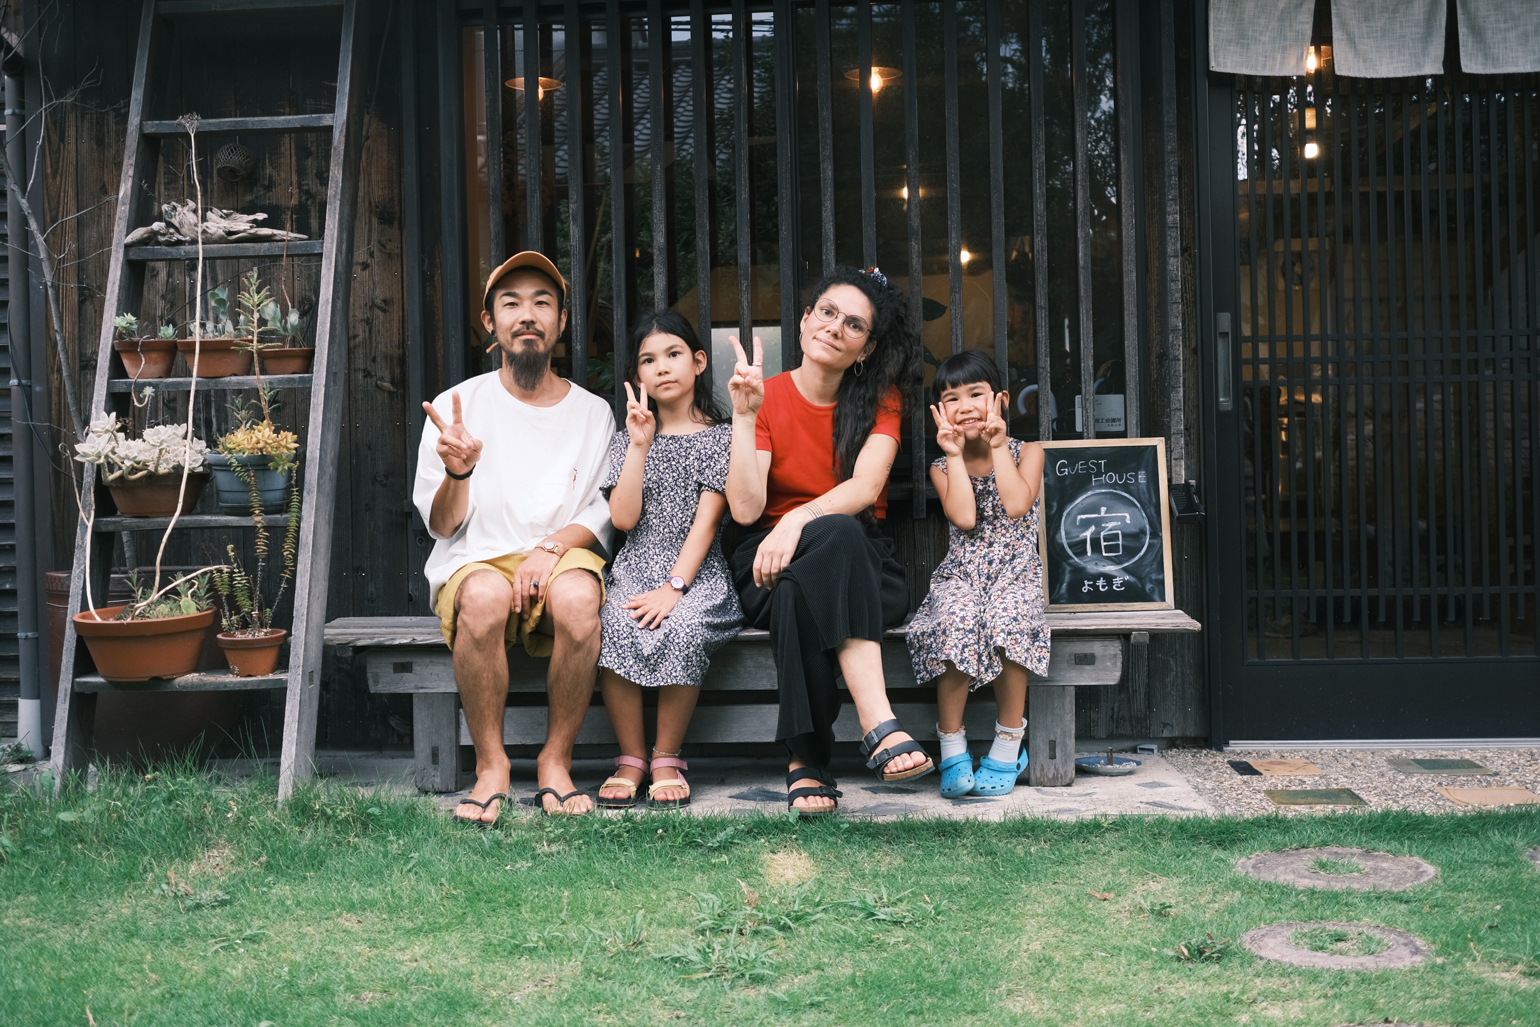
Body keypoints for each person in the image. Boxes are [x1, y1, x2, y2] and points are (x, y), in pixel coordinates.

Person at [724, 266, 932, 817]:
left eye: (855, 324)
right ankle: (878, 725)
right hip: (764, 559)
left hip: (862, 562)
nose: (836, 327)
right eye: (828, 312)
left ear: (866, 348)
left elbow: (865, 489)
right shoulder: (763, 397)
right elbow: (746, 510)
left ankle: (806, 760)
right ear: (804, 321)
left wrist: (797, 520)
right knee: (795, 580)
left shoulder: (880, 401)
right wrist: (743, 421)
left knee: (823, 555)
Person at [414, 251, 613, 821]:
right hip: (476, 560)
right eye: (512, 304)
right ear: (490, 323)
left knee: (578, 602)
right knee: (483, 597)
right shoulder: (459, 406)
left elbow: (601, 513)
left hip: (563, 556)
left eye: (542, 303)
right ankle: (491, 765)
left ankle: (556, 761)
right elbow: (442, 524)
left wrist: (549, 551)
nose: (528, 315)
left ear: (561, 322)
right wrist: (459, 471)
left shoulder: (593, 413)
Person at [593, 312, 741, 810]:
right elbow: (623, 518)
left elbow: (707, 524)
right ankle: (631, 757)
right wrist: (639, 445)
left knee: (683, 626)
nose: (662, 368)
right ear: (638, 378)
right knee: (614, 620)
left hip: (696, 572)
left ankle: (666, 755)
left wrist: (675, 587)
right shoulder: (630, 437)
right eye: (648, 360)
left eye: (674, 354)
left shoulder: (721, 437)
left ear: (698, 362)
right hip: (636, 564)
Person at [905, 350, 1049, 798]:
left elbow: (1016, 505)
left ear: (1000, 400)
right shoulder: (941, 465)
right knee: (955, 617)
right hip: (962, 575)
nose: (964, 406)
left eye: (976, 394)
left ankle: (1009, 743)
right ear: (940, 412)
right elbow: (965, 518)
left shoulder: (1030, 452)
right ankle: (952, 745)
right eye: (951, 398)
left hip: (1016, 573)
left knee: (1008, 618)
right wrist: (952, 454)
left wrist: (998, 445)